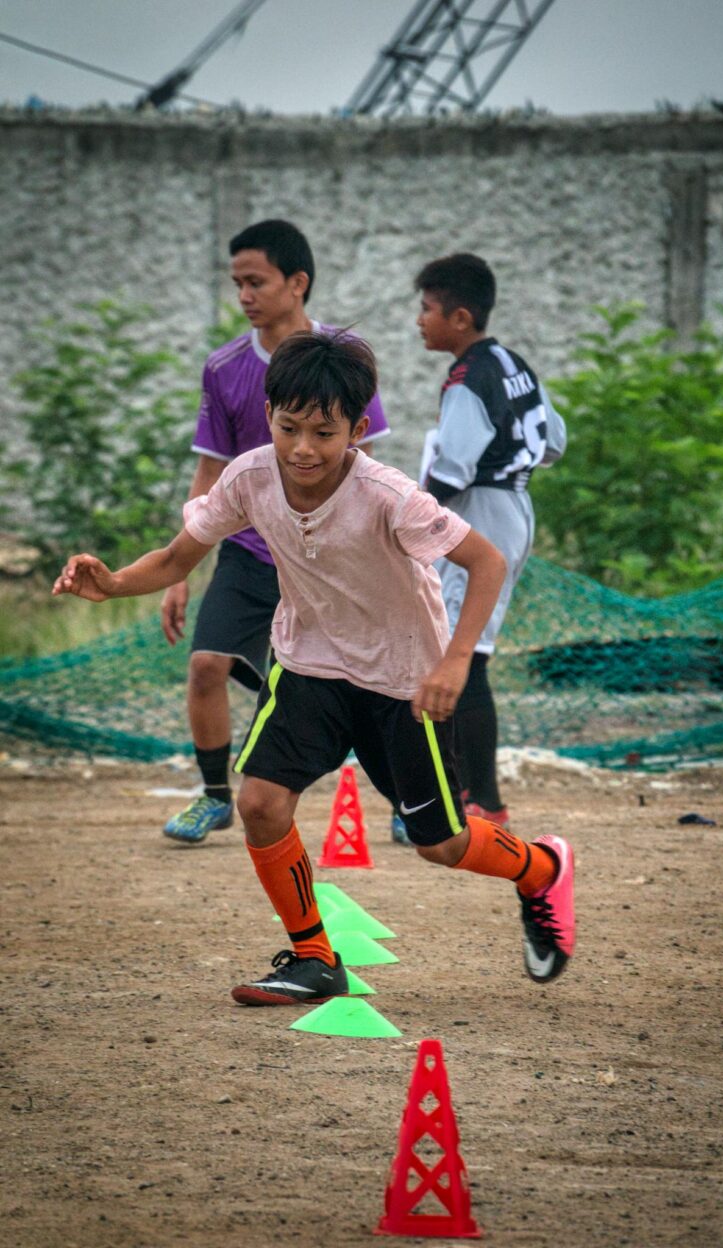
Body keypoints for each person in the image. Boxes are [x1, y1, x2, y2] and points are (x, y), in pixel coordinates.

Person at [52, 331, 576, 1002]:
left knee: (440, 843)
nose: (302, 448)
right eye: (288, 426)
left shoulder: (389, 496)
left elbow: (486, 562)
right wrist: (114, 581)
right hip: (309, 666)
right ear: (268, 415)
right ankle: (315, 958)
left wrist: (452, 664)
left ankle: (540, 868)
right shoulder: (249, 477)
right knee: (260, 803)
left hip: (401, 682)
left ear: (357, 430)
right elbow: (180, 557)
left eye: (322, 433)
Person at [160, 219, 390, 845]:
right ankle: (214, 795)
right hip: (248, 551)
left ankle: (406, 792)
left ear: (297, 283)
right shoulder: (225, 367)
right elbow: (210, 468)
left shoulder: (342, 355)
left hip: (329, 558)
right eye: (237, 284)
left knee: (369, 683)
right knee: (207, 663)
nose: (244, 296)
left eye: (255, 281)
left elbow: (373, 466)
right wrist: (179, 570)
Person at [388, 252, 566, 845]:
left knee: (465, 653)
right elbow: (553, 440)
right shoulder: (513, 364)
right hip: (514, 505)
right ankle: (466, 791)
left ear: (459, 317)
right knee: (462, 647)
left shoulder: (467, 379)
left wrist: (407, 518)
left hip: (479, 513)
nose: (419, 321)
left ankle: (480, 800)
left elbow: (455, 467)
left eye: (427, 309)